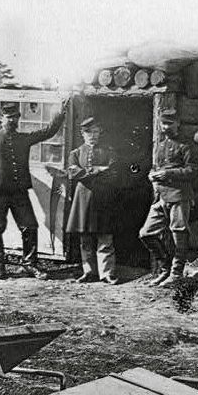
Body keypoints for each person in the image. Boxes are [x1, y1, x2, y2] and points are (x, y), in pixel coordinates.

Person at [0, 100, 67, 280]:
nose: (12, 120)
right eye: (8, 117)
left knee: (30, 226)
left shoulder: (23, 139)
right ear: (2, 119)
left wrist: (59, 113)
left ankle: (30, 264)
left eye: (15, 117)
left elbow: (48, 131)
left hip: (19, 193)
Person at [139, 108, 197, 288]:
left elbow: (193, 171)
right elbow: (155, 167)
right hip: (161, 197)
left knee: (179, 234)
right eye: (163, 123)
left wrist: (169, 174)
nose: (165, 127)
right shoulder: (160, 145)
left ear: (178, 124)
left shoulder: (186, 145)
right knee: (146, 233)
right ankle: (165, 268)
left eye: (170, 124)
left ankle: (176, 273)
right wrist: (151, 174)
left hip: (179, 196)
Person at [66, 117, 119, 284]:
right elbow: (73, 173)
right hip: (83, 199)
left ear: (100, 133)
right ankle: (89, 271)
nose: (92, 135)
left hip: (103, 198)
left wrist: (86, 172)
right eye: (89, 132)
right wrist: (98, 170)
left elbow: (114, 174)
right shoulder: (75, 153)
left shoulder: (109, 152)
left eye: (96, 132)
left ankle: (107, 273)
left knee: (105, 236)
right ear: (82, 134)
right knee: (85, 237)